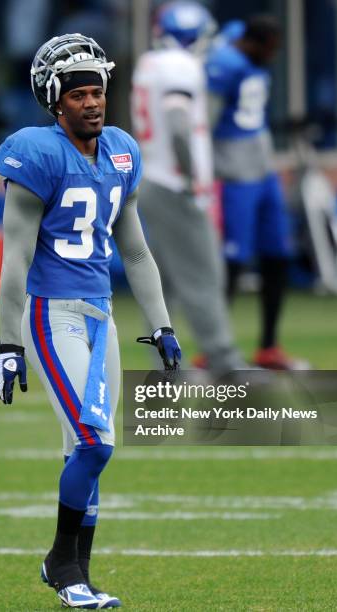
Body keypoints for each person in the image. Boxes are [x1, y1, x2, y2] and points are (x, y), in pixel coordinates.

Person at [0, 33, 181, 609]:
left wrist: (164, 325)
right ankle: (60, 561)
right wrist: (7, 343)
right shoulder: (36, 151)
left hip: (102, 317)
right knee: (97, 442)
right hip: (50, 314)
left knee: (85, 446)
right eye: (79, 96)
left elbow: (137, 249)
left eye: (98, 92)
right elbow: (16, 257)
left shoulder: (121, 150)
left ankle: (78, 575)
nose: (92, 103)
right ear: (55, 100)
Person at [131, 1, 247, 376]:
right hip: (173, 183)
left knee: (163, 284)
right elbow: (179, 122)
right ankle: (223, 359)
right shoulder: (180, 67)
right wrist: (193, 175)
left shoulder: (151, 63)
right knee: (202, 277)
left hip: (153, 178)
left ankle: (167, 364)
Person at [205, 15, 309, 370]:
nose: (275, 55)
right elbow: (205, 121)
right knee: (233, 261)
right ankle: (211, 349)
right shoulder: (224, 62)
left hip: (264, 171)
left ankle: (268, 346)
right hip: (234, 175)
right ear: (254, 43)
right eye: (271, 48)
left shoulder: (240, 46)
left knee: (278, 255)